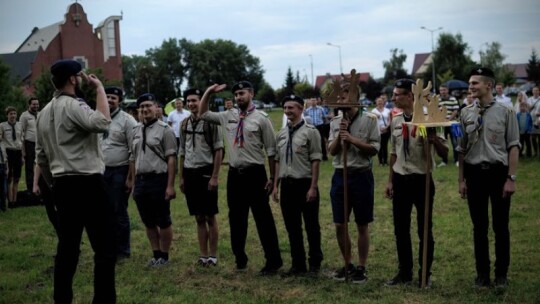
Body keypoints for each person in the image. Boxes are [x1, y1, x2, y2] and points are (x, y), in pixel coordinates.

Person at [35, 59, 116, 303]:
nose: (81, 79)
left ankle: (62, 299)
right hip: (87, 182)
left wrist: (54, 183)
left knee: (67, 249)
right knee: (104, 248)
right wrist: (100, 88)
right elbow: (102, 122)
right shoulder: (73, 105)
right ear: (72, 79)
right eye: (78, 76)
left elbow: (41, 157)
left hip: (62, 184)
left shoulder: (43, 113)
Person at [199, 81, 283, 275]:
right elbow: (203, 113)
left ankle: (273, 260)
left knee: (264, 220)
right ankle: (240, 259)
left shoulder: (262, 119)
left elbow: (271, 151)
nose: (238, 97)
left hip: (256, 175)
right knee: (236, 219)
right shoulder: (228, 116)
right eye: (236, 94)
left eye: (242, 93)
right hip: (235, 175)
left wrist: (272, 178)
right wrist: (208, 92)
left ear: (251, 93)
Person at [458, 67, 520, 288]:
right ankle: (482, 275)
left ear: (488, 86)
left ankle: (501, 274)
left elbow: (513, 146)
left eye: (475, 83)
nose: (471, 87)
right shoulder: (466, 113)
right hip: (474, 174)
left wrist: (511, 178)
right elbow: (462, 149)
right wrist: (461, 179)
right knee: (479, 227)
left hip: (498, 173)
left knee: (501, 227)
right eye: (470, 83)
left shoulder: (506, 112)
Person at [384, 78, 448, 287]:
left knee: (424, 229)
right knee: (400, 229)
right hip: (401, 180)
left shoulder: (429, 119)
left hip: (422, 180)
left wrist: (433, 138)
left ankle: (425, 274)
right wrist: (390, 181)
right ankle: (405, 272)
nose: (393, 98)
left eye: (397, 94)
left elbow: (445, 153)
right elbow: (394, 153)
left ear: (410, 96)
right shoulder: (396, 121)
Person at [328, 83, 380, 283]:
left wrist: (352, 138)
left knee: (361, 223)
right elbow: (331, 151)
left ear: (356, 99)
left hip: (361, 175)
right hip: (340, 175)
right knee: (340, 224)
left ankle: (361, 267)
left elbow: (374, 149)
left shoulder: (370, 120)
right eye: (339, 99)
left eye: (344, 98)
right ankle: (347, 263)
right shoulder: (335, 122)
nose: (341, 102)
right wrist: (341, 138)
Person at [272, 94, 323, 276]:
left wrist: (313, 187)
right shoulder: (281, 134)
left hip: (305, 184)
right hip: (287, 185)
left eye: (291, 108)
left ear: (301, 109)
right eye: (285, 108)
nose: (287, 111)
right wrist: (276, 186)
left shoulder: (311, 132)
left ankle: (315, 264)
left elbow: (316, 160)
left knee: (311, 226)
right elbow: (277, 161)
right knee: (292, 227)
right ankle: (298, 264)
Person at [129, 93, 177, 267]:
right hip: (141, 181)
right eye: (141, 107)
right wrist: (133, 183)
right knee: (148, 221)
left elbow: (171, 159)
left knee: (163, 220)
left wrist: (170, 185)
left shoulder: (166, 130)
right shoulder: (135, 130)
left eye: (148, 106)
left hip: (159, 179)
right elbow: (133, 159)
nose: (144, 109)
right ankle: (155, 254)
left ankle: (164, 256)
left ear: (157, 108)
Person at [179, 88, 224, 267]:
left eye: (194, 101)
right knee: (198, 216)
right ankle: (203, 255)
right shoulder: (183, 124)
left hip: (206, 171)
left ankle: (213, 255)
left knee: (210, 216)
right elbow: (182, 150)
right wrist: (181, 177)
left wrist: (214, 176)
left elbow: (219, 150)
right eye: (188, 101)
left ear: (201, 101)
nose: (191, 104)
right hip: (190, 173)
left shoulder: (211, 122)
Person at [101, 86, 138, 260]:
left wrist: (130, 178)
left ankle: (123, 251)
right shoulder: (99, 116)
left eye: (113, 98)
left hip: (119, 171)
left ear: (120, 101)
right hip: (101, 171)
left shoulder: (127, 120)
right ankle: (109, 247)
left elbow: (134, 151)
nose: (109, 100)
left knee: (118, 211)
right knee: (104, 212)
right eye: (106, 96)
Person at [0, 106, 23, 208]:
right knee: (9, 177)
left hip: (18, 152)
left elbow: (21, 140)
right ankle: (9, 201)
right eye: (11, 114)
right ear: (7, 115)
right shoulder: (2, 125)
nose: (13, 116)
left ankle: (15, 200)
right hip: (8, 152)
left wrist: (22, 155)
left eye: (14, 113)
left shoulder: (20, 125)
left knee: (17, 178)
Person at [20, 97, 39, 193]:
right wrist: (23, 151)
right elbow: (21, 133)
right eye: (34, 104)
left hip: (39, 144)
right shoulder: (24, 116)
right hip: (29, 144)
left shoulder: (39, 115)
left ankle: (39, 187)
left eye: (37, 104)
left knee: (40, 166)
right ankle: (30, 189)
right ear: (29, 105)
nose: (36, 106)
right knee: (29, 167)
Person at [437, 84, 460, 167]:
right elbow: (436, 111)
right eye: (441, 90)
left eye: (444, 90)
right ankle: (444, 161)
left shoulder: (453, 99)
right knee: (442, 143)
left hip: (453, 124)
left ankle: (457, 160)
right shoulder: (437, 100)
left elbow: (455, 111)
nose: (442, 92)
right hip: (441, 125)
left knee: (455, 142)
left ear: (448, 90)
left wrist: (449, 119)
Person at [371, 96, 391, 166]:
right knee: (379, 146)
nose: (380, 103)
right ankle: (380, 162)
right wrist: (378, 128)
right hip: (377, 131)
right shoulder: (373, 111)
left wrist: (386, 127)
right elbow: (372, 122)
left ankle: (385, 161)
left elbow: (389, 120)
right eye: (378, 102)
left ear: (383, 102)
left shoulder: (387, 110)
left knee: (385, 146)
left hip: (386, 130)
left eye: (381, 101)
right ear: (376, 103)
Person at [528, 86, 540, 158]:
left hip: (539, 120)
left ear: (539, 91)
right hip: (531, 120)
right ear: (532, 91)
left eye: (536, 90)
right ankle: (535, 152)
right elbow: (527, 108)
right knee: (533, 138)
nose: (535, 92)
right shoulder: (529, 99)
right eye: (534, 90)